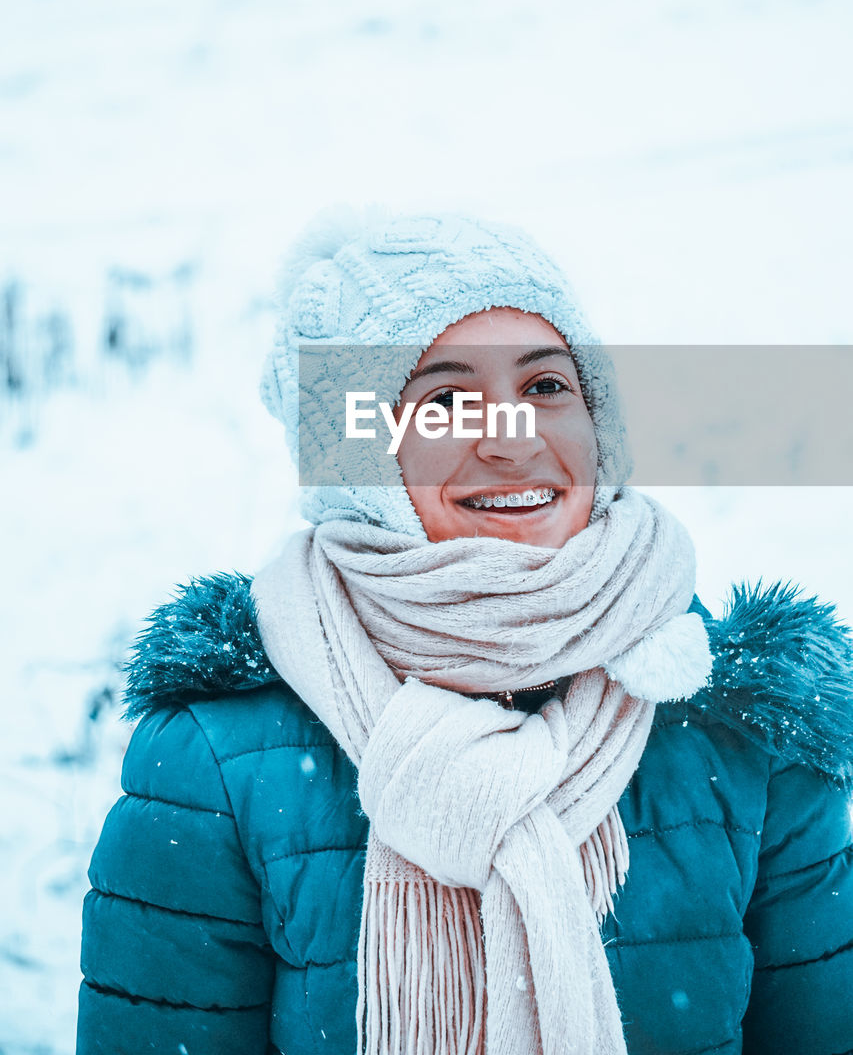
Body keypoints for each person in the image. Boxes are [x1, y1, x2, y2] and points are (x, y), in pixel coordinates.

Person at [76, 213, 853, 1055]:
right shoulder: (216, 761)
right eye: (444, 400)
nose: (511, 442)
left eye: (547, 387)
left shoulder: (744, 728)